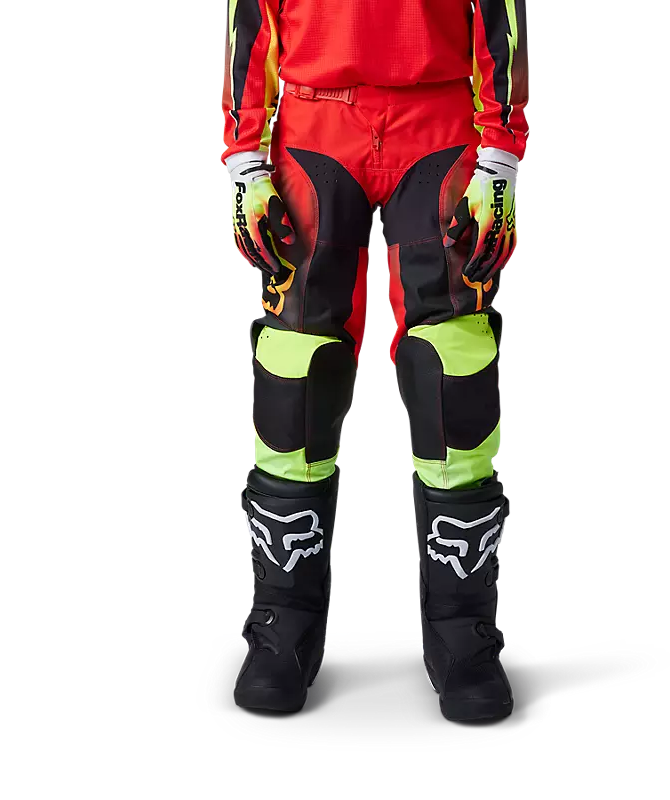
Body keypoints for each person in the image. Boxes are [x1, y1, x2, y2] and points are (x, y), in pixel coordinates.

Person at [222, 0, 529, 721]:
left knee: (452, 368)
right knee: (297, 370)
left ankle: (462, 634)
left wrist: (500, 153)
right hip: (312, 122)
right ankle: (283, 626)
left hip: (441, 122)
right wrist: (244, 158)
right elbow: (249, 12)